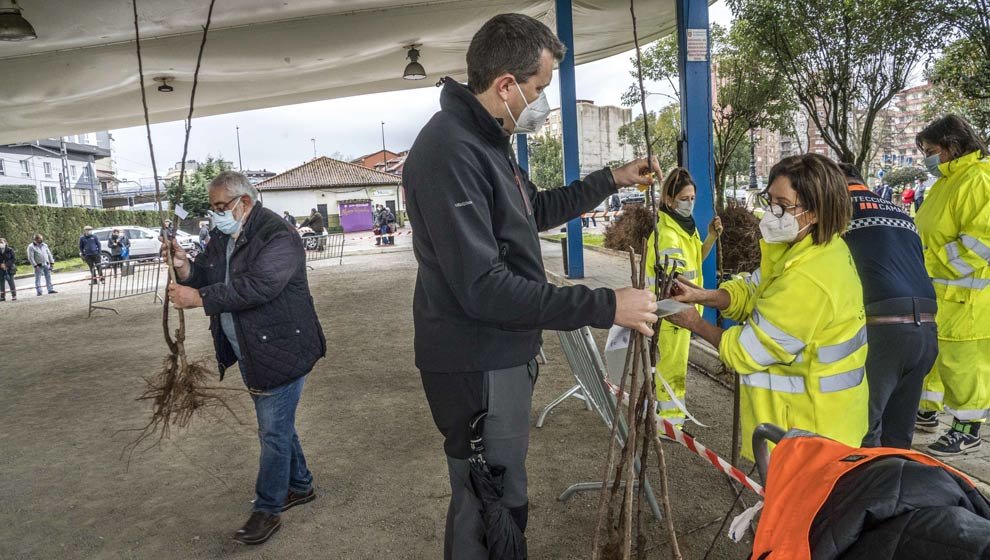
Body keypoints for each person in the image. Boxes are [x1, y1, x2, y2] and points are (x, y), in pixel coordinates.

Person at [402, 14, 660, 558]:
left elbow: (531, 210)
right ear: (506, 85)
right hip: (477, 357)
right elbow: (484, 288)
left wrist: (611, 179)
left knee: (500, 491)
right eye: (539, 88)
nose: (540, 100)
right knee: (489, 499)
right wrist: (605, 304)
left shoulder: (487, 140)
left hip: (500, 351)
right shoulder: (450, 149)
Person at [666, 153, 869, 460]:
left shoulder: (810, 278)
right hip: (805, 424)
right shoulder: (803, 251)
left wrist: (694, 323)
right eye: (769, 200)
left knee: (803, 509)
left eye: (782, 206)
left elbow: (745, 352)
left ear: (814, 213)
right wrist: (704, 296)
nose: (770, 213)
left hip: (811, 432)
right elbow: (754, 289)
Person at [164, 171, 325, 545]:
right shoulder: (225, 234)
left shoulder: (278, 236)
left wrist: (199, 299)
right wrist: (185, 265)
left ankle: (267, 507)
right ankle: (300, 485)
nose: (216, 213)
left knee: (272, 429)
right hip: (252, 349)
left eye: (222, 206)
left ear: (245, 203)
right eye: (213, 207)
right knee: (278, 423)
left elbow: (260, 286)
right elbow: (206, 272)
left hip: (282, 347)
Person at [838, 163, 938, 449]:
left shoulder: (837, 211)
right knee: (898, 433)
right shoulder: (899, 212)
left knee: (864, 427)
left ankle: (864, 490)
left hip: (881, 327)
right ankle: (895, 488)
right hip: (925, 326)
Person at [914, 114, 990, 456]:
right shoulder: (948, 181)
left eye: (931, 150)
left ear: (952, 146)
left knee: (963, 364)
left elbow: (980, 243)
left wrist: (929, 261)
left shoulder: (977, 181)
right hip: (942, 292)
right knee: (936, 358)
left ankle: (967, 428)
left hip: (968, 295)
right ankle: (928, 411)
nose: (927, 158)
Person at [643, 168, 722, 428]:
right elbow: (675, 281)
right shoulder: (668, 234)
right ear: (669, 199)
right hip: (672, 313)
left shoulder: (685, 228)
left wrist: (711, 235)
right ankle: (669, 424)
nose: (690, 203)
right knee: (671, 368)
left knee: (673, 366)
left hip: (682, 311)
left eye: (692, 198)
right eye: (684, 198)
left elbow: (696, 259)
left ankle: (669, 418)